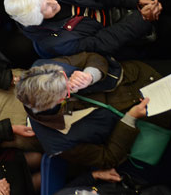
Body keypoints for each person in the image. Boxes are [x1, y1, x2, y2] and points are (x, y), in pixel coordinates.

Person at [15, 52, 170, 182]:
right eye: (66, 92)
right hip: (146, 120)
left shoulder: (41, 68)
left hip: (137, 79)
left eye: (63, 76)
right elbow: (107, 158)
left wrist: (90, 75)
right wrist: (130, 119)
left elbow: (92, 57)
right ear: (57, 101)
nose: (70, 82)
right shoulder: (57, 144)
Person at [4, 0, 166, 59]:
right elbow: (102, 42)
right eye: (44, 7)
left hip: (117, 5)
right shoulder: (55, 42)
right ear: (36, 19)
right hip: (120, 30)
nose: (52, 2)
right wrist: (141, 19)